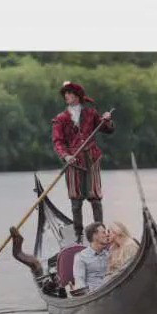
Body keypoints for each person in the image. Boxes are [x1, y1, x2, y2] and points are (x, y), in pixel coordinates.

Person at [52, 81, 115, 243]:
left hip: (91, 159)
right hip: (73, 162)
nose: (66, 96)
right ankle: (78, 236)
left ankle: (101, 233)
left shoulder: (91, 114)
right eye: (65, 94)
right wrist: (65, 156)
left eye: (70, 93)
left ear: (78, 96)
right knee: (76, 201)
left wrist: (107, 119)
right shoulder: (61, 118)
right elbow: (58, 142)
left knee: (95, 198)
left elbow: (108, 129)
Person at [71, 222, 111, 295]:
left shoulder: (108, 254)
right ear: (95, 236)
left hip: (111, 291)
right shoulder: (81, 257)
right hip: (94, 296)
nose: (107, 235)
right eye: (103, 232)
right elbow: (80, 282)